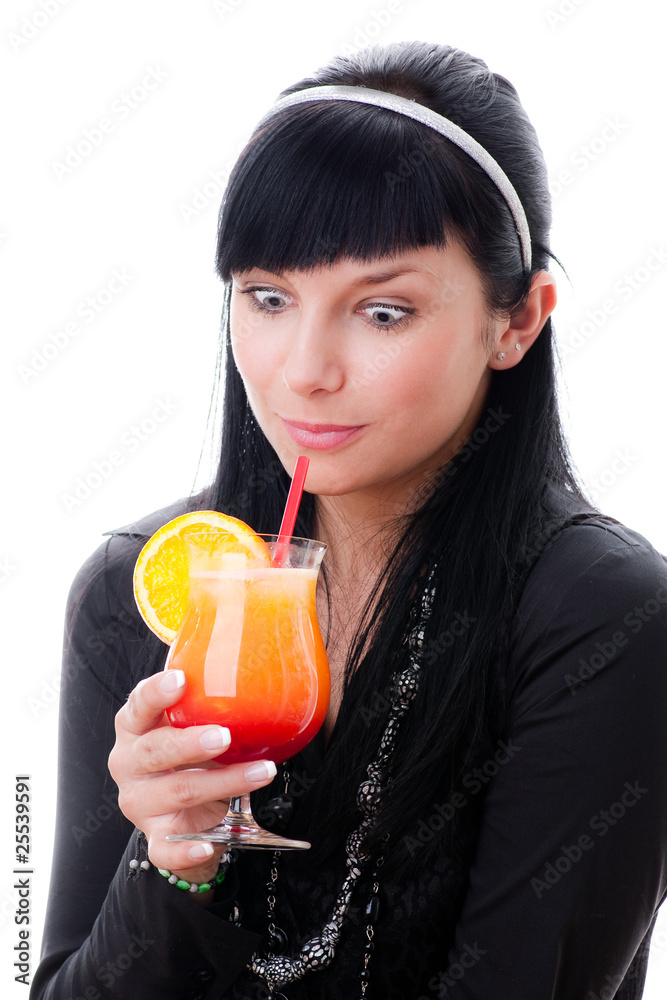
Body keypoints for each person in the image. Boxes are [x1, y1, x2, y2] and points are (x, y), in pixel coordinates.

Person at [31, 40, 667, 1000]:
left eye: (382, 312)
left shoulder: (597, 619)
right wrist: (173, 862)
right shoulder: (144, 592)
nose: (302, 371)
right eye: (269, 297)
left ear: (517, 321)